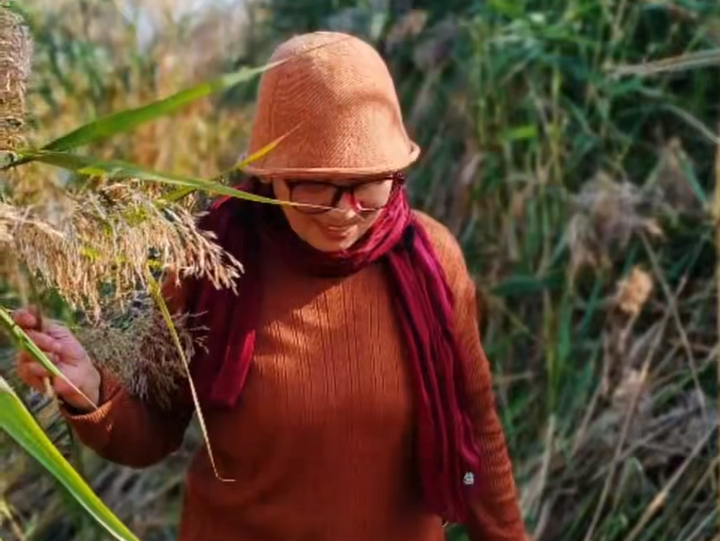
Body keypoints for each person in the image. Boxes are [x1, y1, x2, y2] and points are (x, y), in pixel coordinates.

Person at [13, 31, 528, 541]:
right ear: (270, 176)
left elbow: (477, 432)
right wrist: (91, 390)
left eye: (369, 184)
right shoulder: (213, 260)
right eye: (313, 184)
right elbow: (153, 429)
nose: (343, 212)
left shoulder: (429, 259)